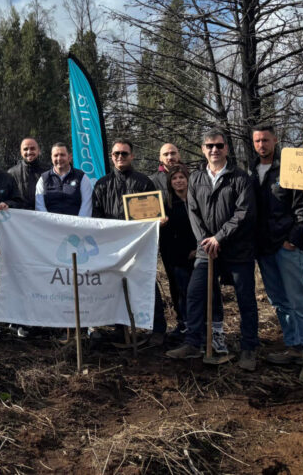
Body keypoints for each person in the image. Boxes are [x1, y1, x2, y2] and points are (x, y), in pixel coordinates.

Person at [166, 130, 259, 370]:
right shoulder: (196, 178)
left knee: (245, 300)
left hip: (237, 250)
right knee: (195, 294)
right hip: (207, 251)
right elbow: (193, 211)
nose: (214, 150)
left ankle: (249, 348)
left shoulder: (240, 178)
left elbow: (244, 213)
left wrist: (219, 238)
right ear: (202, 149)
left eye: (219, 146)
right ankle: (193, 342)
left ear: (226, 148)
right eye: (209, 146)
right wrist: (205, 242)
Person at [251, 125, 303, 386]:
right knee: (279, 300)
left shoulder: (290, 169)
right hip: (263, 248)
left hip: (286, 247)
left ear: (275, 140)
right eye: (257, 140)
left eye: (266, 140)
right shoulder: (251, 172)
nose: (261, 145)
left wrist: (293, 240)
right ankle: (294, 346)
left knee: (299, 301)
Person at [91, 139, 168, 345]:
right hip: (113, 248)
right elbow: (95, 218)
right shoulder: (102, 184)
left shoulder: (144, 182)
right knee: (116, 287)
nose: (120, 157)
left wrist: (158, 220)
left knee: (147, 285)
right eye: (116, 154)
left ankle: (158, 329)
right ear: (111, 156)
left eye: (124, 154)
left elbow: (153, 214)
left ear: (132, 156)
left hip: (139, 247)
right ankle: (120, 329)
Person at [160, 165, 224, 344]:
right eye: (174, 178)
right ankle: (190, 329)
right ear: (170, 182)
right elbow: (165, 237)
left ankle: (213, 332)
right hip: (178, 258)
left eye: (182, 177)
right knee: (185, 294)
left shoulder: (198, 200)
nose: (178, 181)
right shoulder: (165, 206)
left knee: (209, 294)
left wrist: (199, 250)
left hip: (201, 254)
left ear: (188, 179)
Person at [35, 142, 93, 217]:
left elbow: (86, 205)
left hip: (75, 226)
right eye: (56, 155)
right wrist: (49, 225)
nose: (59, 158)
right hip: (50, 226)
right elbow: (40, 207)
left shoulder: (82, 177)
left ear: (70, 157)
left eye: (62, 155)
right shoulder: (43, 179)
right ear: (51, 158)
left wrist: (78, 225)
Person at [8, 137, 49, 210]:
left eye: (32, 148)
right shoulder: (11, 173)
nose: (29, 152)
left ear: (38, 150)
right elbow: (9, 199)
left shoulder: (48, 171)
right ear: (21, 152)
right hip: (21, 218)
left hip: (43, 217)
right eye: (25, 149)